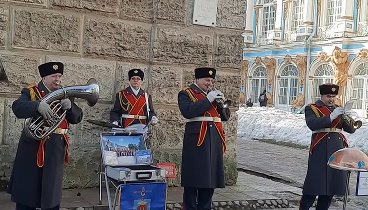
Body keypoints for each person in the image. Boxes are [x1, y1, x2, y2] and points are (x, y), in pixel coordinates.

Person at [7, 62, 83, 210]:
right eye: (54, 76)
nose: (58, 79)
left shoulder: (65, 93)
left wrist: (71, 107)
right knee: (27, 189)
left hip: (55, 147)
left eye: (60, 76)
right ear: (44, 77)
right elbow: (17, 108)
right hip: (32, 148)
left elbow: (77, 118)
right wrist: (37, 106)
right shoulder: (31, 91)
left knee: (51, 192)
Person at [178, 67, 231, 210]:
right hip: (196, 141)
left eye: (212, 80)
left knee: (210, 179)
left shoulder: (213, 95)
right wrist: (208, 99)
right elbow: (188, 112)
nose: (210, 83)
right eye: (207, 80)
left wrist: (222, 104)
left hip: (213, 140)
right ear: (197, 79)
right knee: (194, 178)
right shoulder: (186, 93)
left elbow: (225, 117)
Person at [299, 83, 357, 210]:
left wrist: (347, 117)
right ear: (322, 95)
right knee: (313, 187)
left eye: (333, 96)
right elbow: (312, 124)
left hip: (336, 152)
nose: (331, 99)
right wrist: (331, 116)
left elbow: (351, 129)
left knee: (330, 188)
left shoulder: (337, 109)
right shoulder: (312, 108)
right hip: (320, 151)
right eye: (328, 96)